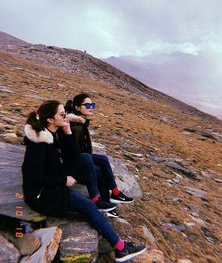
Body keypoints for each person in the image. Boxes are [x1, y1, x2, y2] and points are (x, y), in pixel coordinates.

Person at [22, 100, 146, 262]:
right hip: (41, 195)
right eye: (62, 114)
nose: (66, 116)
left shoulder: (54, 132)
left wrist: (67, 131)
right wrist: (63, 180)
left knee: (85, 159)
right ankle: (121, 249)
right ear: (50, 120)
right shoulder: (38, 143)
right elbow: (34, 177)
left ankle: (99, 201)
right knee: (88, 206)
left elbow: (74, 155)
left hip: (53, 182)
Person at [65, 93, 134, 218]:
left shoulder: (80, 123)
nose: (91, 107)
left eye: (92, 105)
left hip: (81, 157)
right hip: (75, 164)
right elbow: (73, 152)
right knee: (99, 171)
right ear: (77, 108)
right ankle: (103, 203)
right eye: (88, 105)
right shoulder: (76, 127)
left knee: (102, 159)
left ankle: (115, 194)